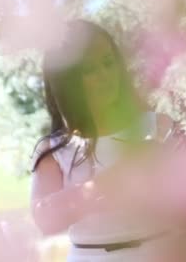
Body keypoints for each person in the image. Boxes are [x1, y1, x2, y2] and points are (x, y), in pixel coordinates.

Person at [30, 20, 174, 261]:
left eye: (108, 63)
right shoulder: (54, 150)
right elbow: (44, 220)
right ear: (66, 80)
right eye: (88, 70)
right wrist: (111, 180)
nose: (105, 75)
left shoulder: (157, 125)